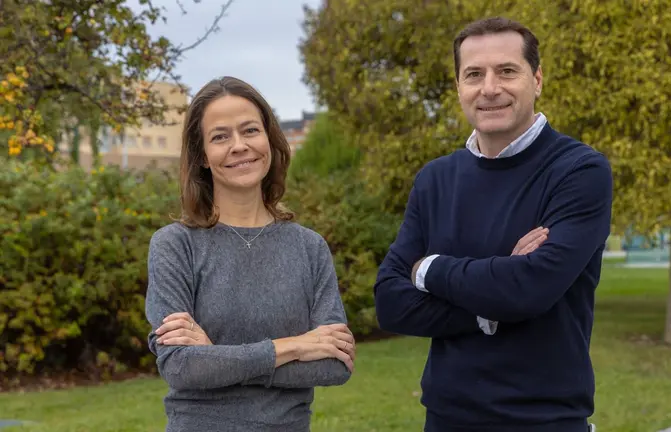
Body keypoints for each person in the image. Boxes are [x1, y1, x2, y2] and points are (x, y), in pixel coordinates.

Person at [373, 17, 612, 432]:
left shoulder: (579, 171)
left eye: (506, 71)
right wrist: (491, 304)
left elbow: (528, 289)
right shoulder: (435, 179)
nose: (489, 88)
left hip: (544, 420)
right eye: (474, 75)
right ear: (458, 87)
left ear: (536, 79)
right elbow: (390, 302)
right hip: (445, 419)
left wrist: (429, 269)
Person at [144, 76, 355, 432]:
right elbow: (182, 367)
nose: (239, 146)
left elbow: (335, 365)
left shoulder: (308, 247)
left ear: (269, 140)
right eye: (220, 136)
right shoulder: (175, 245)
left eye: (250, 130)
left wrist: (218, 357)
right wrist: (295, 346)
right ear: (202, 157)